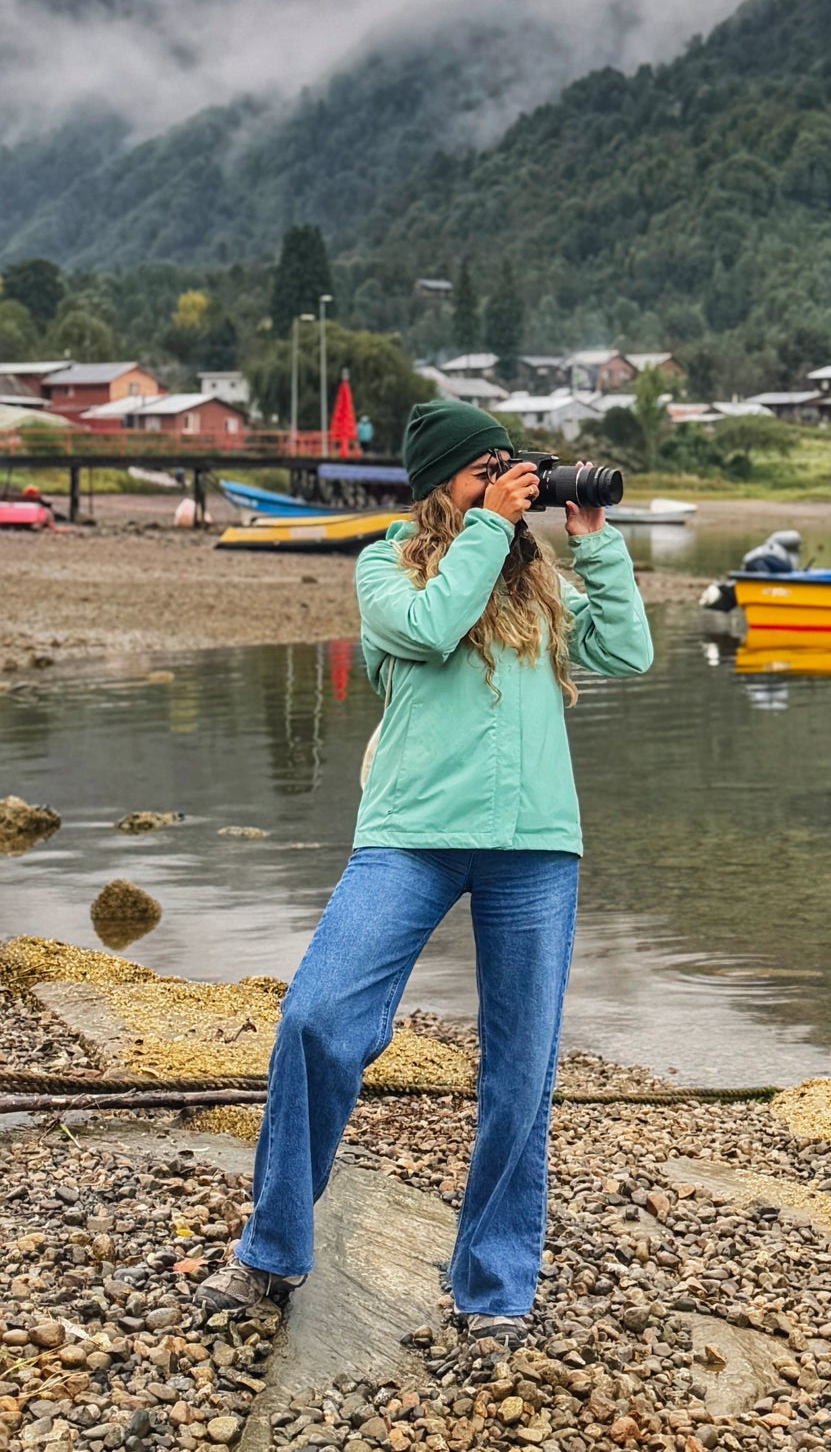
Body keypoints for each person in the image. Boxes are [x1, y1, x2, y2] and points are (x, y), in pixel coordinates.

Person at [196, 400, 652, 1348]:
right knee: (319, 1020)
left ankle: (493, 1294)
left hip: (534, 843)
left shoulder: (534, 583)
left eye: (511, 467)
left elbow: (628, 650)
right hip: (410, 832)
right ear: (442, 479)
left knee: (519, 1073)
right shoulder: (386, 565)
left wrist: (592, 540)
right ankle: (272, 1250)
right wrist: (492, 523)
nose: (505, 484)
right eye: (484, 468)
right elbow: (436, 627)